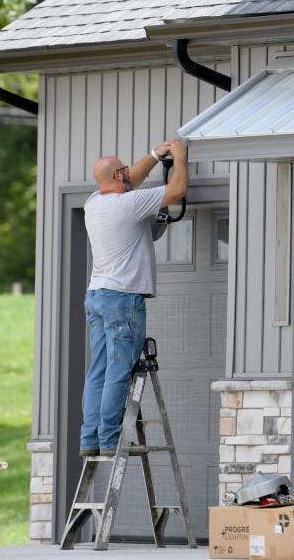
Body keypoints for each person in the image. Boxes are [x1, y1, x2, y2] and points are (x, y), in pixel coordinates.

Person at [80, 139, 189, 458]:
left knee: (98, 369)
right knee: (118, 368)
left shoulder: (93, 202)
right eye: (124, 169)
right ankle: (112, 438)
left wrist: (156, 155)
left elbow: (129, 181)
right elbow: (178, 188)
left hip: (97, 294)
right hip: (122, 298)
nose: (130, 172)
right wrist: (179, 158)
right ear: (117, 174)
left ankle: (91, 438)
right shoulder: (128, 205)